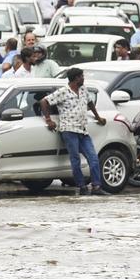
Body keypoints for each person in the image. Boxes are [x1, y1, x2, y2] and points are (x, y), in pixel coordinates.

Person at [41, 67, 108, 196]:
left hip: (82, 130)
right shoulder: (63, 92)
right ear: (76, 78)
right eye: (82, 76)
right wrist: (48, 120)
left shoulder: (83, 90)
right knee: (75, 159)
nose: (83, 78)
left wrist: (98, 117)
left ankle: (96, 186)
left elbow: (90, 103)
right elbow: (44, 101)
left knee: (93, 158)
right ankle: (81, 186)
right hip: (69, 129)